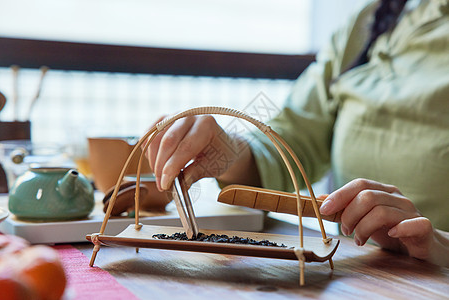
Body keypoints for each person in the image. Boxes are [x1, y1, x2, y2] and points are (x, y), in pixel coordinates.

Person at [146, 0, 449, 267]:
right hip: (360, 272)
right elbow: (293, 141)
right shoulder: (372, 19)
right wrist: (229, 151)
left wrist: (438, 246)